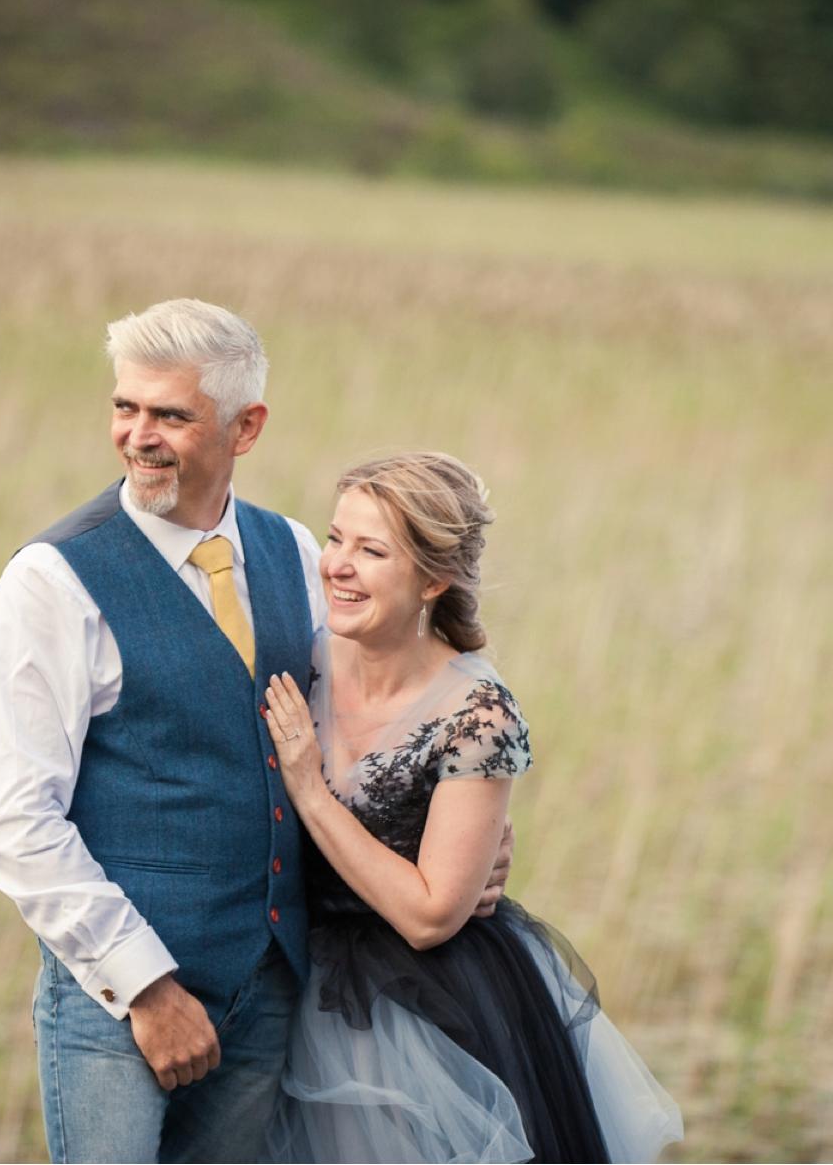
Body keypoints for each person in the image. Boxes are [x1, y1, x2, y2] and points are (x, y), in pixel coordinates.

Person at [0, 300, 511, 1163]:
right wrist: (147, 990)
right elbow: (15, 826)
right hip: (120, 1008)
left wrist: (447, 845)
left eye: (170, 415)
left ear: (245, 426)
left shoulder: (295, 551)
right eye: (124, 407)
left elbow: (352, 734)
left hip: (270, 995)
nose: (137, 436)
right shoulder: (50, 581)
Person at [261, 451, 685, 1163]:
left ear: (433, 579)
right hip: (284, 985)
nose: (336, 564)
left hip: (423, 1019)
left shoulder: (478, 712)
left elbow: (430, 916)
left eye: (371, 550)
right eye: (335, 538)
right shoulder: (293, 662)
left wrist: (308, 786)